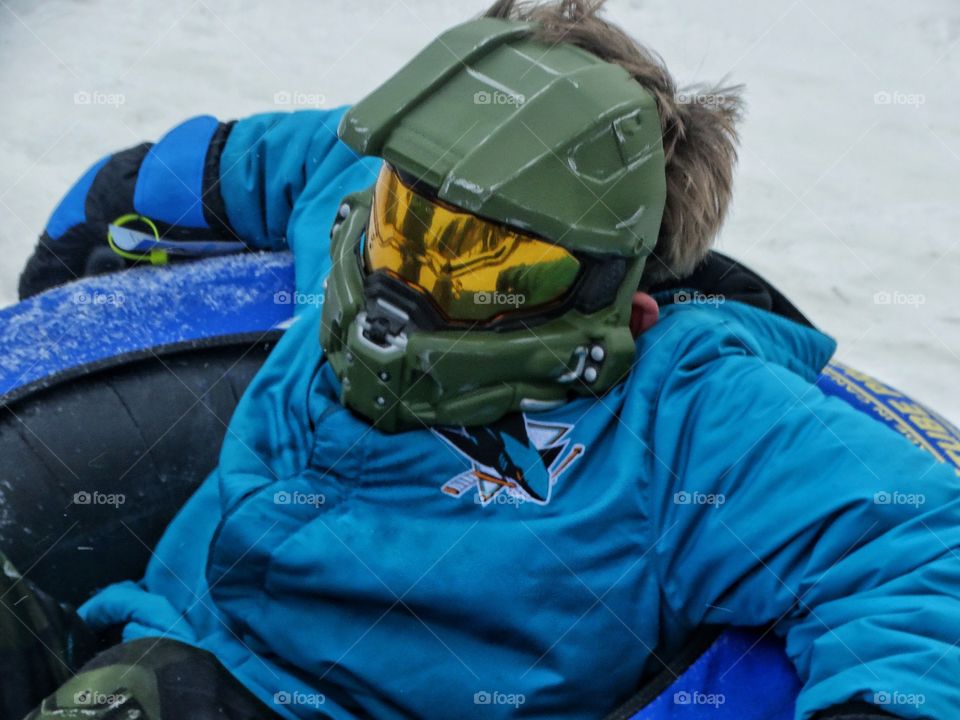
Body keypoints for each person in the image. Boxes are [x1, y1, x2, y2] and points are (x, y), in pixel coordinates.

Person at [5, 1, 959, 718]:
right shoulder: (369, 198)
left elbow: (922, 546)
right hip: (142, 634)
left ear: (611, 297)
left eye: (485, 264)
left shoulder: (686, 411)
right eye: (408, 226)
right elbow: (221, 167)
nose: (409, 282)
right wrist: (75, 258)